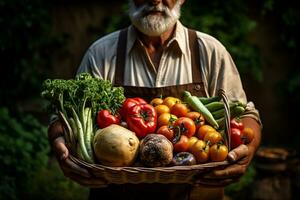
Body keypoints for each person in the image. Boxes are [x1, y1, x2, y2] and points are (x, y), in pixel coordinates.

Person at [48, 0, 262, 199]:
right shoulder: (102, 53)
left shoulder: (209, 51)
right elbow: (64, 117)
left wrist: (247, 151)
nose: (155, 0)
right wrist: (60, 141)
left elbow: (244, 114)